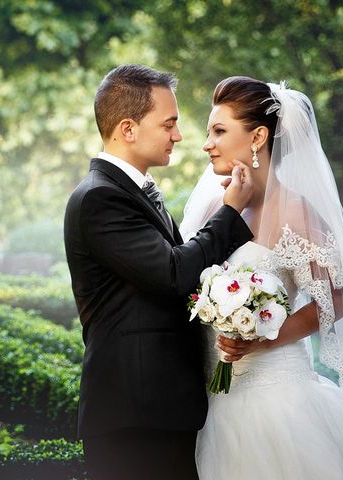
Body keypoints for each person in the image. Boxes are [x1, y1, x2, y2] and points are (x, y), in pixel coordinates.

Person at [63, 64, 254, 480]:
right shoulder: (101, 198)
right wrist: (231, 210)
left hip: (157, 409)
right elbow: (174, 272)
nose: (179, 136)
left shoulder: (130, 190)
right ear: (128, 129)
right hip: (135, 415)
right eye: (169, 124)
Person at [180, 76, 343, 479]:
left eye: (219, 131)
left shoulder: (297, 211)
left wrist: (262, 337)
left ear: (258, 136)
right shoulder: (215, 204)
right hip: (214, 398)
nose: (207, 143)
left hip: (277, 396)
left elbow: (335, 300)